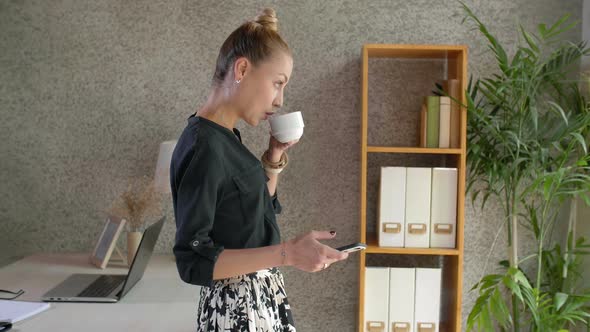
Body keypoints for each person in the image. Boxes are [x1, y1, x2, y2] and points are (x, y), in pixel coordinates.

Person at [170, 8, 349, 332]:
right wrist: (289, 254)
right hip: (238, 311)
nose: (280, 100)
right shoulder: (205, 146)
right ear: (242, 68)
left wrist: (273, 155)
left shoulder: (224, 137)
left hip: (255, 301)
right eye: (277, 84)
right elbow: (192, 260)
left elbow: (248, 214)